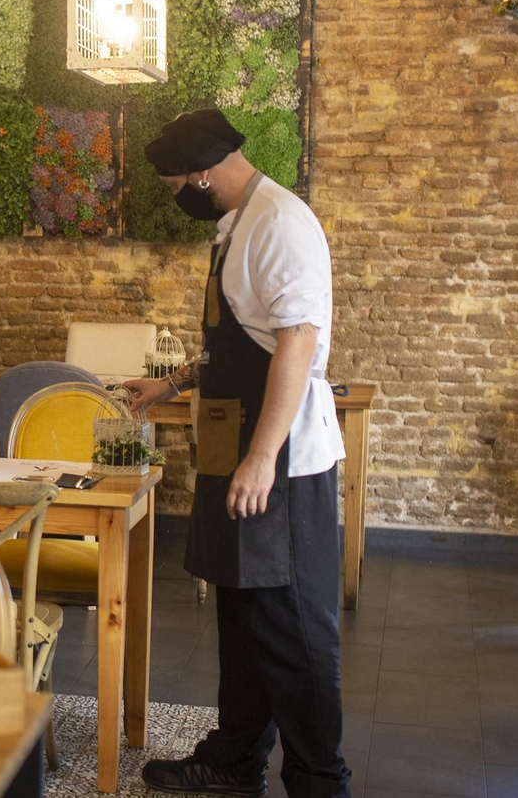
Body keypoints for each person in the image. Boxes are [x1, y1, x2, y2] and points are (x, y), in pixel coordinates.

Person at [124, 109, 349, 798]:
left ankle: (319, 781)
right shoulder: (239, 222)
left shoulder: (280, 222)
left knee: (290, 628)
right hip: (237, 447)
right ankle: (234, 758)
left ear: (203, 173)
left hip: (277, 461)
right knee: (243, 619)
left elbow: (299, 343)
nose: (176, 198)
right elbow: (235, 343)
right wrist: (172, 382)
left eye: (173, 185)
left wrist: (260, 457)